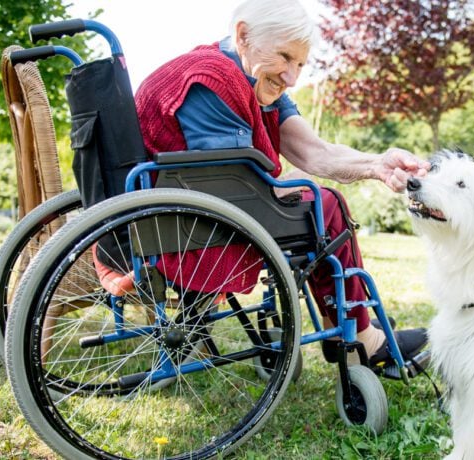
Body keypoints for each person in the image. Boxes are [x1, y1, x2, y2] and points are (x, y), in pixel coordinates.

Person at [133, 0, 429, 366]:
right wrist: (292, 185)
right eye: (285, 57)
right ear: (243, 36)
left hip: (183, 218)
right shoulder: (214, 78)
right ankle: (360, 337)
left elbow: (314, 151)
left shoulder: (253, 80)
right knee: (326, 205)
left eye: (301, 64)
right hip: (186, 232)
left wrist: (378, 164)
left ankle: (349, 323)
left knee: (313, 195)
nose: (292, 77)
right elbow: (236, 187)